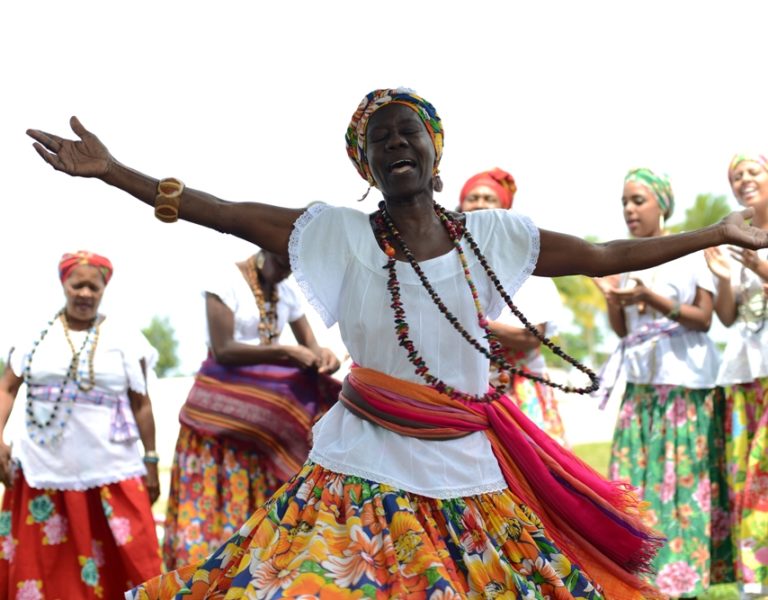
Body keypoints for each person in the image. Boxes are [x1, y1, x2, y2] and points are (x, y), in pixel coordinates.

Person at [26, 88, 768, 600]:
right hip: (357, 464)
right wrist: (115, 172)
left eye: (407, 133)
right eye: (379, 141)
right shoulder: (338, 234)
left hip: (465, 473)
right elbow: (222, 212)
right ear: (367, 166)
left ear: (433, 150)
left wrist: (715, 232)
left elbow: (603, 256)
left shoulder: (491, 234)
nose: (395, 144)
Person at [592, 168, 731, 598]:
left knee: (682, 483)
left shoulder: (690, 254)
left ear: (661, 205)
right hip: (642, 389)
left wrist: (651, 297)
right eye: (625, 203)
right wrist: (611, 298)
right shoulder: (625, 256)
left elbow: (704, 319)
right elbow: (621, 330)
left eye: (638, 200)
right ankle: (639, 573)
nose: (630, 210)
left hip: (684, 388)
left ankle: (683, 578)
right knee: (638, 483)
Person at [163, 248, 341, 570]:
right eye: (283, 264)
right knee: (211, 528)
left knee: (254, 534)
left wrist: (324, 356)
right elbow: (224, 349)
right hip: (216, 427)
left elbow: (311, 349)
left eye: (292, 268)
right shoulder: (225, 280)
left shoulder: (284, 291)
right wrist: (286, 353)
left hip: (259, 434)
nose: (286, 273)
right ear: (264, 249)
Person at [0, 250, 162, 598]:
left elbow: (142, 405)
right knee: (47, 568)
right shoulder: (34, 335)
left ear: (104, 289)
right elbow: (6, 389)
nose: (85, 293)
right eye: (78, 285)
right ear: (65, 285)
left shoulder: (128, 339)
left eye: (93, 286)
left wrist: (151, 460)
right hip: (42, 470)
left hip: (112, 470)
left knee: (134, 560)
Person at [458, 167, 569, 446]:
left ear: (505, 211)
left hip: (520, 393)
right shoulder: (446, 264)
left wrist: (469, 319)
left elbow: (530, 339)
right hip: (464, 391)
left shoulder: (529, 266)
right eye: (473, 198)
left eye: (489, 198)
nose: (480, 204)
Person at [704, 153, 768, 597]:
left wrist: (761, 268)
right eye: (735, 176)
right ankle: (753, 577)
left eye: (753, 171)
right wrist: (724, 278)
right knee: (745, 475)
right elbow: (727, 317)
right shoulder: (739, 241)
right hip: (745, 373)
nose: (744, 180)